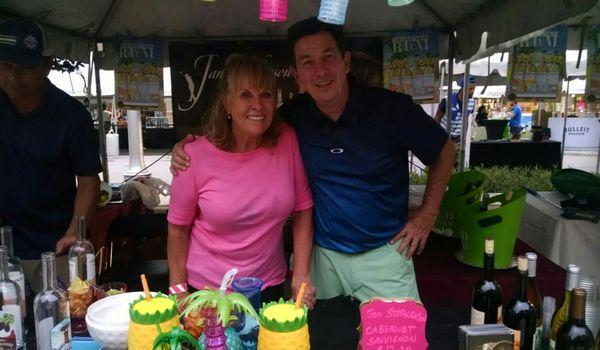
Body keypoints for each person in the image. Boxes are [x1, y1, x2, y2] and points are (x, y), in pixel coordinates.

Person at [171, 18, 454, 346]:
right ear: (296, 75)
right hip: (323, 258)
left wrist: (427, 216)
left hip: (385, 253)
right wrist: (188, 147)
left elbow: (444, 150)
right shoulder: (292, 119)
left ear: (345, 61)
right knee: (321, 341)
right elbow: (240, 130)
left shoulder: (391, 109)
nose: (320, 71)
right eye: (307, 62)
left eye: (328, 57)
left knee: (397, 344)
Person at [167, 54, 315, 307]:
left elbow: (303, 209)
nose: (257, 104)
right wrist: (178, 291)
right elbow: (178, 229)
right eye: (245, 95)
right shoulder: (193, 156)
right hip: (207, 293)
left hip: (269, 286)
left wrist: (301, 273)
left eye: (266, 94)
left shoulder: (286, 140)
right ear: (226, 103)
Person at [0, 18, 101, 292]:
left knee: (68, 322)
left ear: (46, 66)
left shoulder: (72, 116)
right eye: (6, 66)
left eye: (25, 68)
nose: (13, 76)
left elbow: (89, 182)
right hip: (6, 249)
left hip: (58, 248)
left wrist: (74, 234)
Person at [434, 76, 476, 141]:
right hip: (443, 135)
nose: (473, 91)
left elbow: (465, 120)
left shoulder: (472, 102)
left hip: (458, 138)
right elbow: (437, 118)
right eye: (470, 89)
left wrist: (463, 138)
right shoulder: (447, 100)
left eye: (474, 88)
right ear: (463, 88)